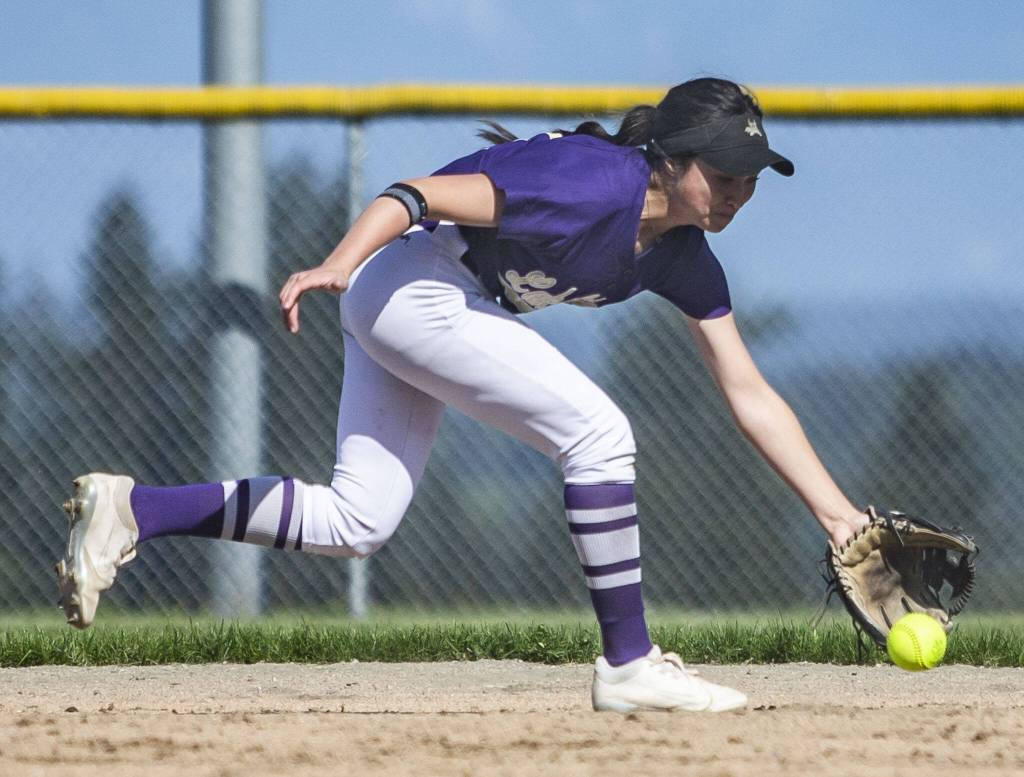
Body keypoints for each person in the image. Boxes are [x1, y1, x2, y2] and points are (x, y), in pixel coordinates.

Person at [56, 77, 869, 713]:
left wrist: (843, 520)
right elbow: (413, 194)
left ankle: (136, 510)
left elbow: (750, 390)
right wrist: (340, 262)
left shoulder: (682, 254)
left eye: (752, 176)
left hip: (428, 300)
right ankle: (629, 663)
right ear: (670, 156)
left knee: (356, 520)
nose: (739, 191)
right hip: (413, 283)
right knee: (599, 433)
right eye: (724, 171)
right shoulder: (587, 182)